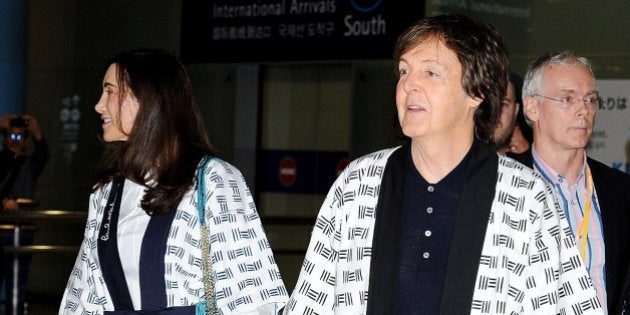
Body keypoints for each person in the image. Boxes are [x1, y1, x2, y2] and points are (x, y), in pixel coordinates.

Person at [283, 14, 603, 314]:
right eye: (404, 71)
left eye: (431, 72)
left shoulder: (524, 196)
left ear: (478, 91)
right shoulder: (358, 185)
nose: (409, 85)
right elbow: (311, 303)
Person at [59, 49, 288, 314]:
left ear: (146, 99)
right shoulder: (108, 189)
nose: (99, 105)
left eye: (109, 91)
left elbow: (253, 295)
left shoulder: (212, 180)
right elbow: (85, 291)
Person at [510, 51, 630, 314]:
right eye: (567, 99)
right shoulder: (501, 184)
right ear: (532, 107)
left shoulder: (620, 191)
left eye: (590, 100)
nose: (583, 110)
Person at [0, 114, 49, 315]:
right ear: (4, 138)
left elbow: (43, 154)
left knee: (18, 280)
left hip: (22, 229)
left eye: (20, 137)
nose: (15, 140)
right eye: (11, 136)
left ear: (26, 141)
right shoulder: (1, 159)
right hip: (2, 226)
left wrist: (36, 128)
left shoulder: (30, 164)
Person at [493, 73, 524, 155]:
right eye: (487, 102)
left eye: (503, 104)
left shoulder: (528, 167)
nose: (494, 111)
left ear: (515, 110)